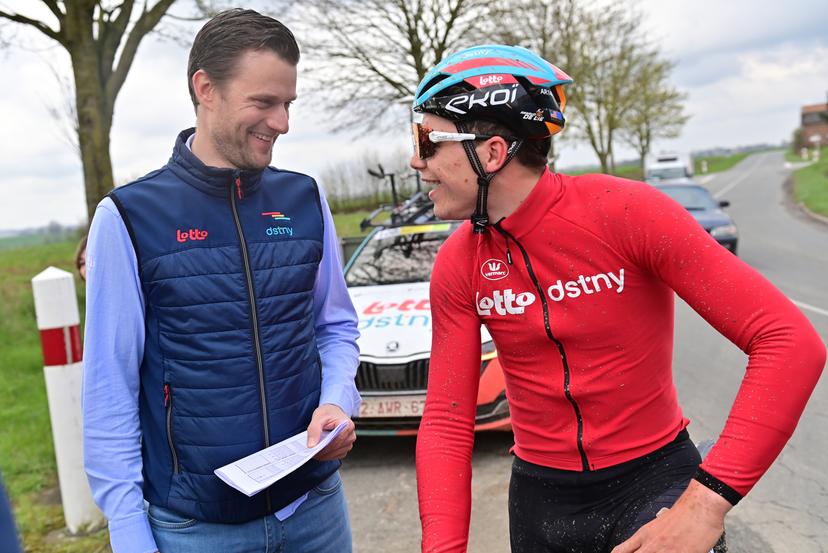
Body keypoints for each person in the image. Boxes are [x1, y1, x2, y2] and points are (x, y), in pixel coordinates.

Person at [411, 44, 826, 553]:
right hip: (541, 501)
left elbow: (789, 341)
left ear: (493, 152)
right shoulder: (458, 263)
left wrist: (706, 505)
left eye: (427, 141)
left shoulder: (627, 212)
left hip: (653, 482)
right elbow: (448, 422)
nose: (416, 161)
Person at [82, 9, 360, 553]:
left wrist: (336, 400)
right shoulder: (128, 217)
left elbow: (335, 327)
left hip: (315, 509)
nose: (282, 122)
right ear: (205, 89)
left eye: (288, 103)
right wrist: (128, 530)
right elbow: (109, 389)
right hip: (196, 530)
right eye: (265, 102)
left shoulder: (305, 198)